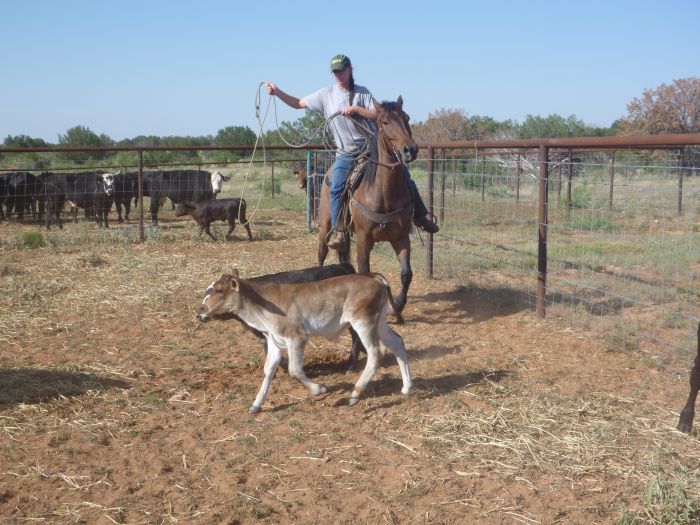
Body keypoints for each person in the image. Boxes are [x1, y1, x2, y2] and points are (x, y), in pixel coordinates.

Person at [266, 54, 438, 249]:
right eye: (335, 71)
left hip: (370, 150)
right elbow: (298, 103)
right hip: (346, 153)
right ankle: (340, 231)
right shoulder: (326, 95)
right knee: (337, 184)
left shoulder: (362, 93)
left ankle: (421, 217)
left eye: (342, 70)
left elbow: (380, 115)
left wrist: (357, 109)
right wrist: (277, 92)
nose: (338, 74)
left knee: (404, 175)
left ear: (350, 70)